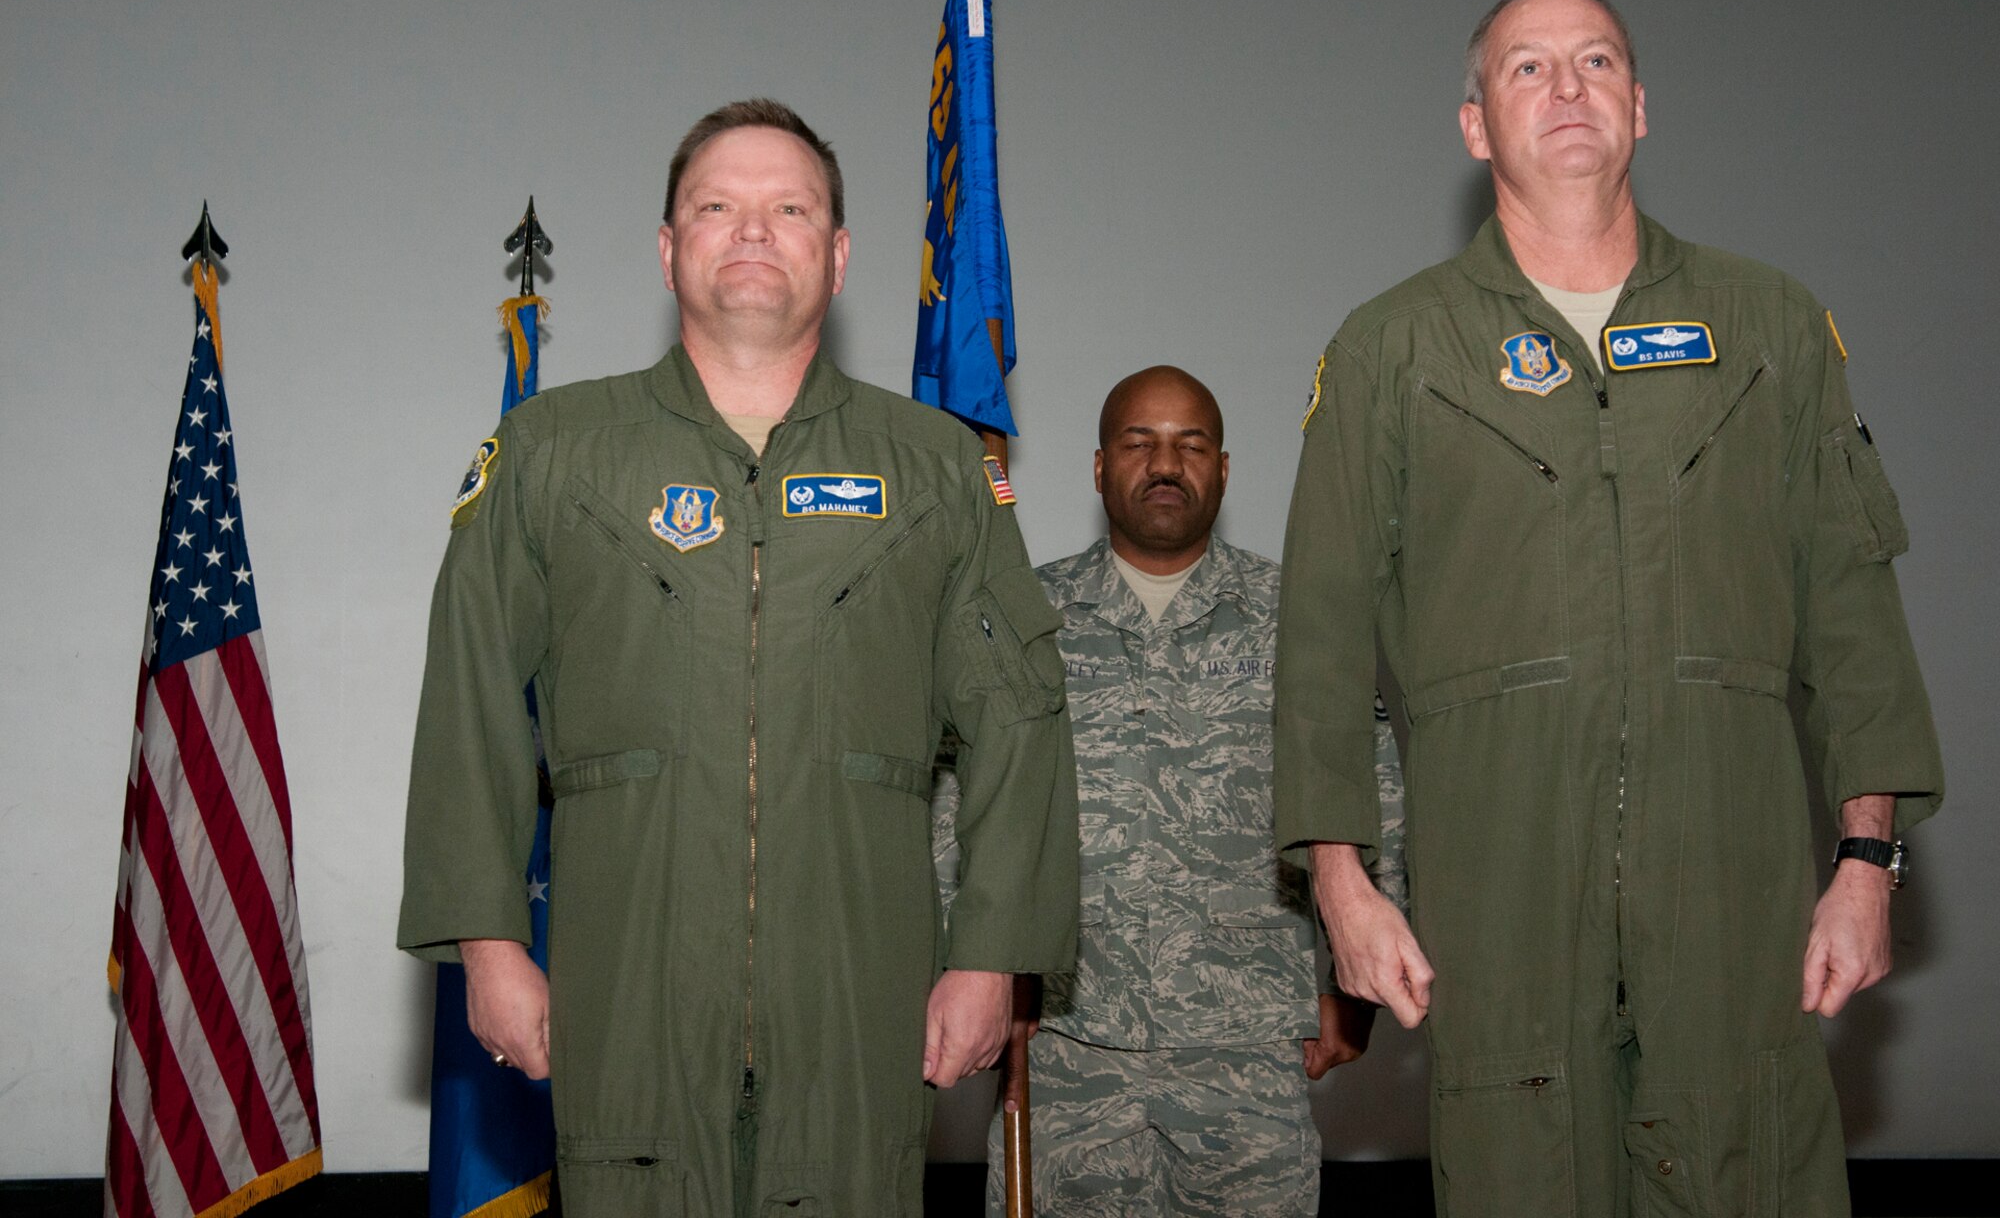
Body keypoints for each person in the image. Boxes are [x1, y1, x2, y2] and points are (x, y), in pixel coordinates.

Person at [1274, 0, 1944, 1217]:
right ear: (1474, 124)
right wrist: (1340, 880)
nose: (1565, 88)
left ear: (1639, 104)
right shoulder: (1389, 350)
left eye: (1594, 61)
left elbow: (1848, 607)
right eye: (1525, 69)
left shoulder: (1767, 326)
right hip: (1500, 873)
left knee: (1749, 1154)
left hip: (1730, 869)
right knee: (1518, 1168)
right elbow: (1318, 639)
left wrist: (1863, 857)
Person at [398, 98, 1079, 1216]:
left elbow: (1019, 717)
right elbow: (469, 692)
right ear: (668, 251)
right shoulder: (553, 450)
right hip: (629, 994)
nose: (753, 230)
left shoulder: (939, 467)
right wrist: (488, 940)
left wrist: (992, 952)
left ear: (839, 254)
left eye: (790, 208)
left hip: (858, 1002)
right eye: (717, 207)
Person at [970, 366, 1405, 1215]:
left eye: (1190, 444)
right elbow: (967, 806)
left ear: (1225, 469)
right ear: (1099, 468)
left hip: (1245, 1058)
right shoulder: (1030, 619)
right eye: (1139, 443)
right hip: (1064, 1050)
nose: (1164, 463)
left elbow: (1371, 798)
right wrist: (974, 975)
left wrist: (1357, 994)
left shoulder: (1299, 619)